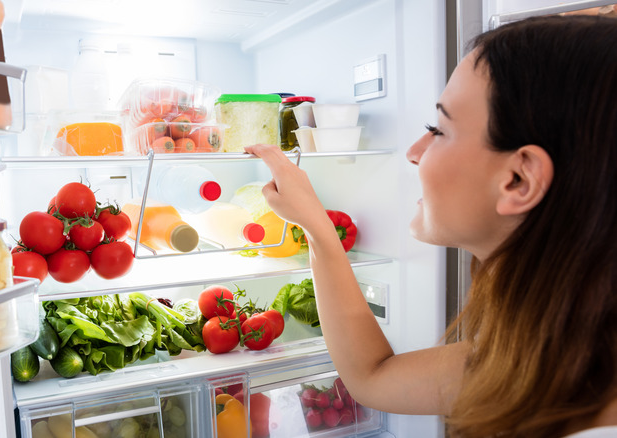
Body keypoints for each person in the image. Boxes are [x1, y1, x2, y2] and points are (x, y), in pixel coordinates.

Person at [246, 14, 617, 438]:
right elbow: (372, 377)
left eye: (437, 129)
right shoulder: (555, 353)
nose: (414, 152)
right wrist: (316, 227)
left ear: (519, 179)